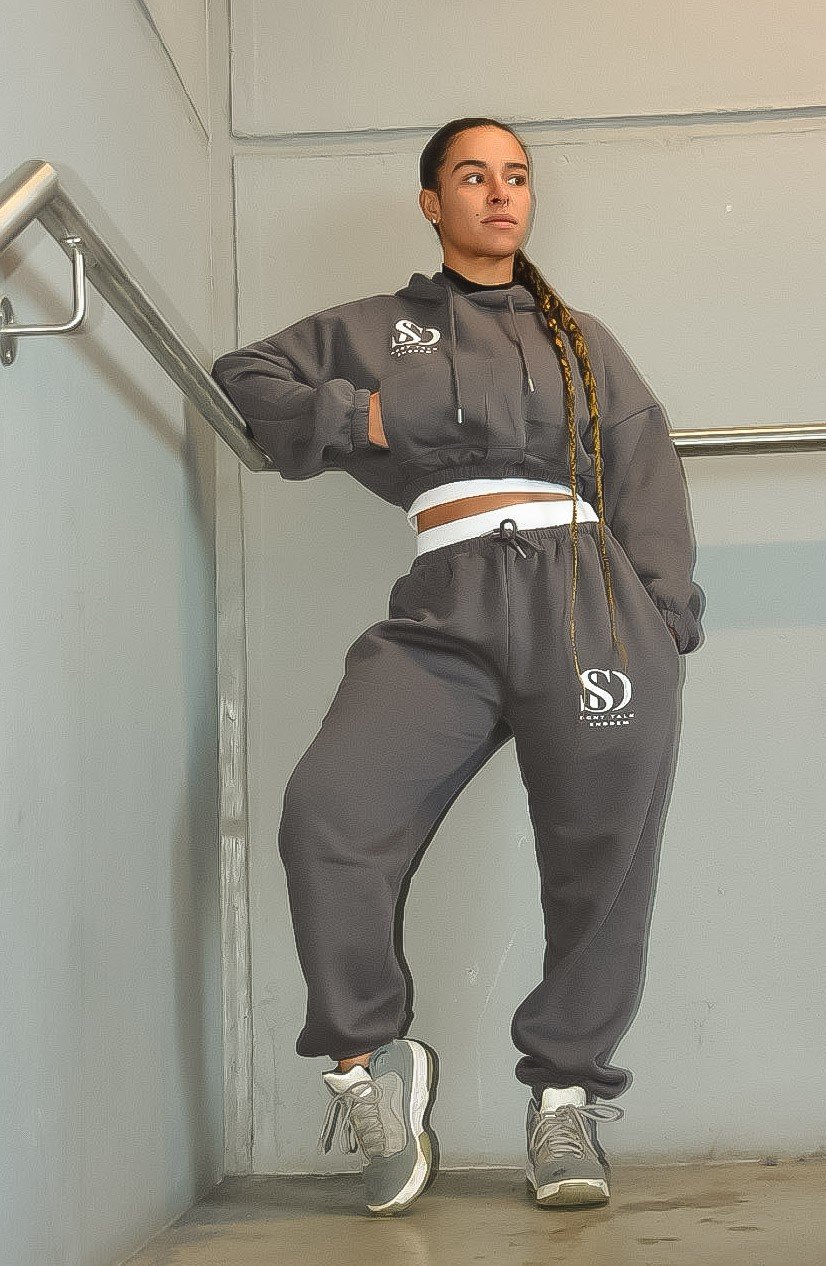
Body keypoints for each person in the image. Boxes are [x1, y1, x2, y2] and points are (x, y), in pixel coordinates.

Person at [211, 115, 706, 1217]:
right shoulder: (376, 329)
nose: (499, 192)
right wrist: (360, 413)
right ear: (432, 203)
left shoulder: (580, 339)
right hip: (447, 595)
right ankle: (367, 1064)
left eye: (515, 176)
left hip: (589, 604)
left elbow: (645, 467)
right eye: (473, 176)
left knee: (600, 862)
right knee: (329, 811)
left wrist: (660, 617)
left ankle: (564, 1098)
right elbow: (242, 376)